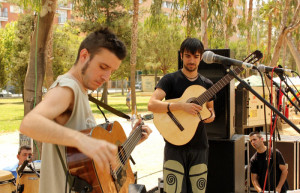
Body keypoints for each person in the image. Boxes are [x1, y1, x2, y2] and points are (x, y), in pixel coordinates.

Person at [19, 28, 152, 193]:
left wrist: (131, 141)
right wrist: (83, 141)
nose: (107, 77)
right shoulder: (68, 88)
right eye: (103, 67)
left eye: (111, 71)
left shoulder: (81, 92)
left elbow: (87, 165)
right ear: (84, 56)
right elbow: (29, 124)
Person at [148, 38, 215, 193]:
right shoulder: (170, 80)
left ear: (201, 57)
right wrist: (181, 106)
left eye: (196, 56)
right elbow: (152, 104)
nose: (191, 60)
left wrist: (211, 115)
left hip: (200, 146)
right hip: (174, 146)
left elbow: (211, 111)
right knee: (174, 190)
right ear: (181, 56)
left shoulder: (207, 84)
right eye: (188, 56)